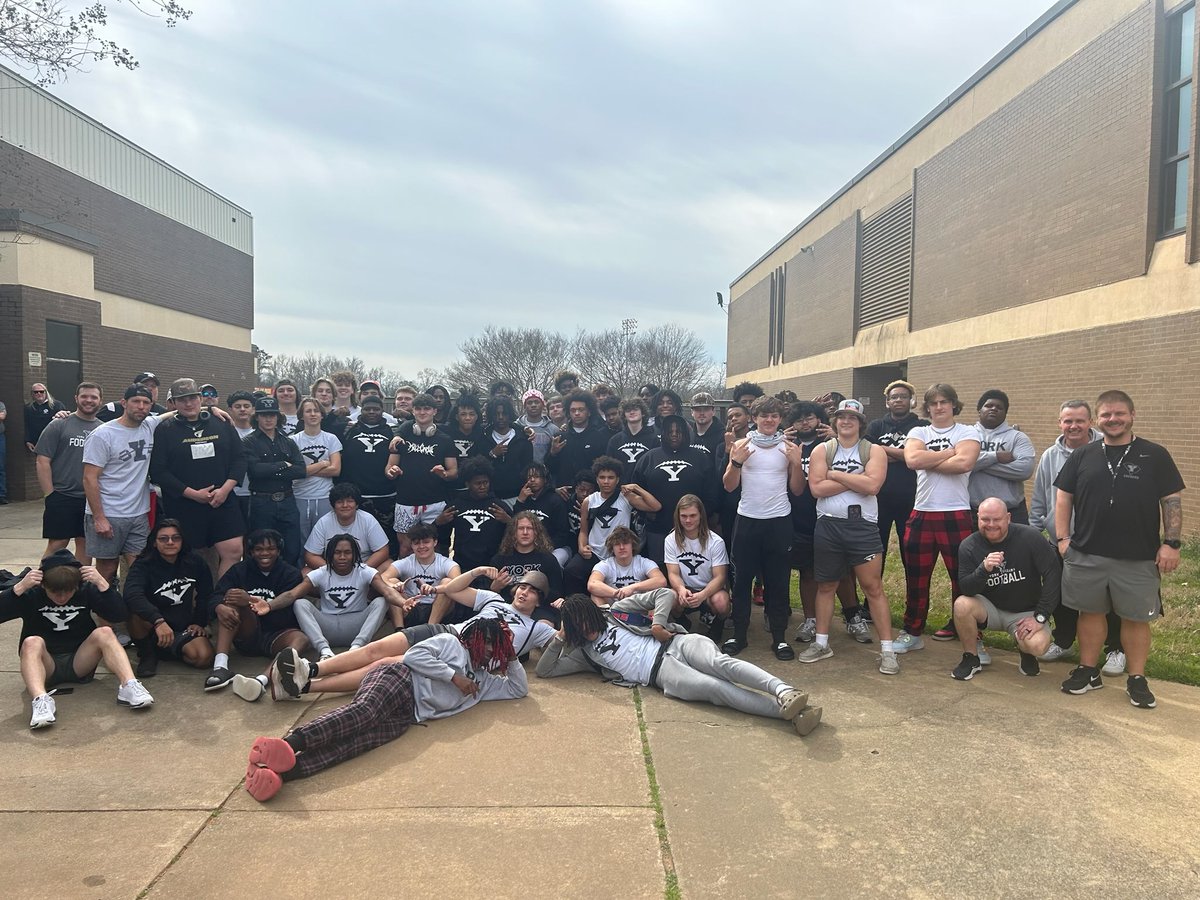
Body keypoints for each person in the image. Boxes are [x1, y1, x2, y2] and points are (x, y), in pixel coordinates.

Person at [245, 616, 526, 801]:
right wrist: (453, 676)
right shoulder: (451, 644)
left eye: (496, 647)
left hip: (409, 714)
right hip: (399, 678)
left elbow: (518, 689)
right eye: (489, 643)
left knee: (359, 743)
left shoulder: (485, 682)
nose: (491, 650)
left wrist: (511, 655)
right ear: (476, 638)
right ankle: (287, 744)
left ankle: (281, 773)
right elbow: (415, 655)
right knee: (365, 712)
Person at [1054, 390, 1184, 710]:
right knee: (1090, 613)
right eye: (1106, 415)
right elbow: (1063, 498)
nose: (1113, 419)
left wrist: (1171, 543)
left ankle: (1136, 678)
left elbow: (1172, 501)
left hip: (1138, 555)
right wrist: (1062, 539)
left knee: (1136, 618)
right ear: (1098, 419)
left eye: (1120, 414)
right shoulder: (1083, 455)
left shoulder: (1154, 454)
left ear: (1132, 415)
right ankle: (1088, 670)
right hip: (1087, 552)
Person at [538, 594, 822, 736]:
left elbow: (663, 593)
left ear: (592, 612)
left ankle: (784, 691)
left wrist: (659, 624)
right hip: (662, 675)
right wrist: (562, 636)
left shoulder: (616, 611)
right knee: (716, 689)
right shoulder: (582, 653)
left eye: (586, 621)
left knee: (720, 663)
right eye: (578, 627)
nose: (585, 629)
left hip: (673, 643)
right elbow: (545, 671)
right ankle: (789, 714)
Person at [1, 550, 154, 729]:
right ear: (43, 586)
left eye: (68, 592)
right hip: (45, 665)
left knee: (104, 632)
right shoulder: (31, 593)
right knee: (31, 642)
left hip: (80, 660)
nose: (62, 597)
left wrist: (103, 584)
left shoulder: (86, 590)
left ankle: (129, 685)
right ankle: (41, 699)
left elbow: (119, 614)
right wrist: (18, 589)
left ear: (76, 586)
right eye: (55, 592)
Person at [802, 399, 898, 674]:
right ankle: (821, 644)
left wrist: (834, 475)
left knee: (873, 587)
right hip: (829, 525)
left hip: (862, 526)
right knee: (826, 586)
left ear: (860, 423)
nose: (846, 421)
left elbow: (873, 485)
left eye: (852, 418)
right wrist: (853, 477)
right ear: (835, 422)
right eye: (842, 417)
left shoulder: (873, 450)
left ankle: (888, 651)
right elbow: (817, 490)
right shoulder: (824, 449)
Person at [1029, 401, 1124, 669]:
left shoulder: (1105, 452)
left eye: (1079, 421)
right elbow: (1040, 497)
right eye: (1067, 421)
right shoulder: (1050, 455)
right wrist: (1036, 530)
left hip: (1100, 541)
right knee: (1061, 594)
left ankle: (1115, 649)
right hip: (1060, 540)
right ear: (1059, 423)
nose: (1073, 426)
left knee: (1107, 598)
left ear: (1091, 422)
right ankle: (1063, 640)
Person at [895, 384, 981, 654]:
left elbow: (964, 464)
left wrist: (928, 458)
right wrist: (948, 452)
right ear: (927, 407)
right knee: (917, 577)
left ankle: (972, 637)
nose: (939, 407)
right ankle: (913, 630)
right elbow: (911, 460)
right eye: (934, 403)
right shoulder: (919, 431)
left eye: (945, 402)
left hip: (956, 513)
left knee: (963, 579)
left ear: (954, 404)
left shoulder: (968, 431)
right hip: (922, 512)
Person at [722, 396, 806, 660]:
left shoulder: (788, 447)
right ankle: (739, 634)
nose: (769, 420)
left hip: (779, 521)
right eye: (764, 415)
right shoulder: (740, 444)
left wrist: (795, 463)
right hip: (747, 520)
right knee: (742, 580)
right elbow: (729, 486)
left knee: (778, 581)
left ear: (780, 419)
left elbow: (798, 489)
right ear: (754, 418)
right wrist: (736, 461)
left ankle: (779, 638)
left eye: (774, 416)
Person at [949, 498, 1057, 681]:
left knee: (1038, 645)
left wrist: (1040, 616)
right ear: (977, 518)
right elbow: (966, 588)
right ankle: (971, 658)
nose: (991, 525)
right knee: (961, 605)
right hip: (990, 609)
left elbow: (1053, 576)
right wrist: (983, 569)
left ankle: (1026, 653)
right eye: (985, 519)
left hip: (1025, 612)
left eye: (997, 519)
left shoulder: (1030, 537)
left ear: (1008, 518)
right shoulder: (969, 546)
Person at [149, 378, 247, 579]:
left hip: (222, 500)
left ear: (200, 398)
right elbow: (158, 471)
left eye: (193, 397)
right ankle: (195, 604)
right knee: (191, 558)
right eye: (182, 399)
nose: (188, 403)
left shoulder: (221, 422)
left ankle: (221, 601)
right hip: (185, 504)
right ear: (173, 403)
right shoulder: (164, 429)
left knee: (234, 551)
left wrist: (226, 489)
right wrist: (193, 494)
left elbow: (239, 459)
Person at [269, 534, 401, 668]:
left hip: (356, 625)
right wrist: (269, 606)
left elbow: (387, 590)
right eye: (337, 552)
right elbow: (292, 594)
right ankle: (325, 651)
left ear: (354, 554)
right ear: (330, 554)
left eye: (347, 552)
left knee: (381, 601)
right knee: (300, 603)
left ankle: (356, 649)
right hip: (328, 626)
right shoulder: (321, 572)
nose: (342, 557)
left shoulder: (364, 571)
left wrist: (403, 603)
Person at [82, 384, 168, 585]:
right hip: (108, 514)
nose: (141, 406)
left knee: (140, 567)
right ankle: (102, 612)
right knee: (107, 569)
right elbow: (89, 478)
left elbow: (171, 414)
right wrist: (99, 518)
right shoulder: (103, 434)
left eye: (146, 403)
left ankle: (134, 614)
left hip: (138, 514)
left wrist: (210, 409)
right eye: (136, 401)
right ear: (124, 403)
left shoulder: (149, 425)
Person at [204, 529, 309, 692]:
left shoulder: (291, 574)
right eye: (259, 549)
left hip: (276, 633)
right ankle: (220, 666)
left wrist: (250, 602)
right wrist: (219, 607)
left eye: (270, 549)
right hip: (247, 633)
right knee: (232, 598)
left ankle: (262, 679)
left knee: (301, 639)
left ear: (279, 550)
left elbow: (288, 614)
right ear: (251, 551)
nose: (265, 553)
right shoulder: (239, 570)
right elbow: (214, 596)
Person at [123, 518, 216, 678]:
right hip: (152, 625)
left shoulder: (194, 561)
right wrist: (158, 620)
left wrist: (199, 622)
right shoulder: (143, 564)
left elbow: (206, 593)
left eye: (176, 538)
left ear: (182, 541)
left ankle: (168, 648)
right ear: (154, 542)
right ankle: (147, 653)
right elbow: (132, 594)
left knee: (203, 658)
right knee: (132, 609)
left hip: (182, 626)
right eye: (163, 539)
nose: (170, 542)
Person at [563, 456, 657, 594]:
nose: (606, 481)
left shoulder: (626, 498)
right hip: (594, 552)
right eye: (602, 477)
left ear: (618, 479)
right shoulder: (589, 501)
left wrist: (636, 488)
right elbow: (583, 531)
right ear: (597, 479)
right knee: (571, 571)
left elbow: (655, 506)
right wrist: (582, 547)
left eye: (611, 477)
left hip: (618, 553)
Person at [631, 415, 715, 563]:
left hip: (693, 530)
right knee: (660, 572)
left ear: (686, 433)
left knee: (693, 569)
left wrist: (702, 517)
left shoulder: (700, 458)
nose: (674, 435)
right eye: (670, 432)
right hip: (658, 529)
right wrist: (646, 512)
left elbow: (712, 493)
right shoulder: (649, 458)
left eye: (679, 431)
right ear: (663, 434)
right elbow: (634, 492)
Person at [35, 381, 103, 559]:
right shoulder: (59, 424)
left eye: (93, 397)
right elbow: (42, 461)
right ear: (76, 398)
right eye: (84, 396)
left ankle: (80, 586)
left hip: (90, 499)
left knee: (86, 544)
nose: (89, 400)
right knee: (58, 544)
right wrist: (50, 494)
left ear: (100, 401)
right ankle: (43, 585)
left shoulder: (104, 430)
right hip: (62, 495)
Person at [865, 380, 927, 569]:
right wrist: (907, 455)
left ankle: (913, 598)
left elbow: (922, 457)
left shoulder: (922, 426)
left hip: (912, 498)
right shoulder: (876, 426)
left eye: (903, 396)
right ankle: (872, 599)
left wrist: (882, 450)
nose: (899, 400)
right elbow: (867, 454)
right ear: (887, 402)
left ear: (911, 401)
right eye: (894, 397)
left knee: (910, 550)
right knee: (877, 549)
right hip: (879, 499)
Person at [388, 393, 458, 558]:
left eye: (427, 408)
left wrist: (444, 474)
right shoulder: (401, 437)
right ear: (413, 411)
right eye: (418, 409)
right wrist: (392, 472)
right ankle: (403, 583)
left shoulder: (445, 439)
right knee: (405, 548)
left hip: (435, 502)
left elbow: (454, 472)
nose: (422, 412)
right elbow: (389, 467)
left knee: (435, 547)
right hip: (406, 501)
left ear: (434, 411)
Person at [243, 396, 306, 565]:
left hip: (287, 500)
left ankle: (289, 587)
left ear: (278, 416)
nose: (269, 419)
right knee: (261, 547)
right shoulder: (248, 442)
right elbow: (255, 471)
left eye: (272, 414)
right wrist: (283, 465)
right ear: (257, 417)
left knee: (292, 548)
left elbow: (300, 470)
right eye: (264, 415)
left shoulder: (288, 441)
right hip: (261, 502)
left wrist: (270, 470)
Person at [664, 494, 731, 640]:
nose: (688, 520)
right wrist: (681, 590)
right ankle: (681, 620)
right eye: (684, 516)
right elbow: (673, 573)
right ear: (678, 516)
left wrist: (702, 595)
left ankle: (717, 624)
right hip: (686, 588)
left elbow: (720, 577)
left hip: (709, 590)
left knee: (722, 602)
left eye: (693, 515)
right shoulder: (670, 540)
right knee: (669, 597)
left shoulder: (715, 541)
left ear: (701, 515)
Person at [968, 389, 1035, 524]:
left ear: (1005, 413)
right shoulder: (966, 435)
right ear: (979, 410)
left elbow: (1024, 470)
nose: (994, 409)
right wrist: (995, 456)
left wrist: (974, 463)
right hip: (973, 511)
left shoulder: (1017, 437)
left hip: (1012, 512)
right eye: (989, 406)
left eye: (999, 407)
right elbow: (957, 463)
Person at [340, 394, 399, 548]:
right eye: (367, 409)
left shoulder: (392, 431)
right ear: (361, 410)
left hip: (386, 496)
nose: (372, 412)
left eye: (376, 409)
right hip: (357, 497)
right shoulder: (349, 430)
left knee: (387, 541)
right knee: (356, 541)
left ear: (382, 411)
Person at [435, 457, 512, 575]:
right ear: (468, 484)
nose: (482, 487)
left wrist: (508, 521)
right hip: (462, 566)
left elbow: (515, 535)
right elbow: (442, 539)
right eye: (478, 483)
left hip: (492, 566)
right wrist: (438, 523)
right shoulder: (456, 505)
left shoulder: (499, 506)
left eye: (485, 482)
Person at [489, 511, 564, 621]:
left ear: (536, 532)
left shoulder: (548, 559)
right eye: (521, 528)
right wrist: (495, 587)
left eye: (529, 528)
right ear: (513, 532)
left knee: (545, 625)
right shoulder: (499, 559)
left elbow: (558, 594)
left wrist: (537, 584)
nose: (525, 532)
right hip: (507, 608)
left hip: (539, 610)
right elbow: (486, 595)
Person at [384, 523, 460, 628]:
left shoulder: (446, 563)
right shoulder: (406, 562)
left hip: (436, 608)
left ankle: (430, 628)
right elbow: (383, 578)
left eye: (426, 542)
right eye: (416, 543)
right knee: (391, 583)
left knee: (448, 582)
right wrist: (394, 585)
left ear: (435, 542)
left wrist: (435, 589)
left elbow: (459, 583)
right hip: (411, 606)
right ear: (411, 545)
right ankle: (399, 629)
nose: (421, 546)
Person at [302, 482, 391, 571]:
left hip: (363, 567)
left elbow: (383, 551)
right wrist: (332, 570)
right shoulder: (323, 522)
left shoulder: (368, 519)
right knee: (306, 572)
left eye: (350, 501)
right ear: (333, 506)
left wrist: (361, 570)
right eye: (340, 502)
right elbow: (310, 555)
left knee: (389, 564)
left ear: (356, 504)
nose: (345, 505)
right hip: (332, 570)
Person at [290, 397, 342, 546]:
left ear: (321, 415)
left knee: (325, 541)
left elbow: (336, 469)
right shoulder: (292, 441)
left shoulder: (331, 439)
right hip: (299, 497)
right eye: (308, 411)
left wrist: (306, 471)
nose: (313, 414)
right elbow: (293, 472)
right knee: (300, 541)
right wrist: (323, 464)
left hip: (324, 497)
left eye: (316, 411)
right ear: (301, 415)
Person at [512, 462, 572, 565]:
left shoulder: (555, 500)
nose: (532, 480)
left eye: (536, 476)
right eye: (529, 477)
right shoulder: (524, 499)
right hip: (527, 546)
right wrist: (520, 502)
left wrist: (543, 547)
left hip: (555, 547)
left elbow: (562, 534)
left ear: (544, 480)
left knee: (552, 562)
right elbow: (515, 525)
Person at [548, 390, 610, 491]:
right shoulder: (559, 437)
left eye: (581, 409)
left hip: (592, 494)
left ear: (589, 412)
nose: (577, 413)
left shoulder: (600, 437)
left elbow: (604, 470)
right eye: (573, 410)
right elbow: (550, 469)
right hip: (564, 493)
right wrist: (553, 453)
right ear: (568, 412)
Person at [587, 527, 667, 603]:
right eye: (617, 544)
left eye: (625, 543)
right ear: (612, 548)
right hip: (614, 609)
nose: (621, 547)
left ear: (632, 545)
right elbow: (592, 584)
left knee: (660, 592)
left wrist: (633, 587)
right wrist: (618, 593)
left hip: (641, 607)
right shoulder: (605, 565)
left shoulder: (644, 562)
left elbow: (661, 580)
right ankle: (607, 617)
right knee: (595, 594)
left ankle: (651, 618)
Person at [480, 394, 533, 501]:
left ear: (510, 414)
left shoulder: (523, 437)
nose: (500, 417)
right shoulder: (483, 436)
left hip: (517, 495)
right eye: (497, 414)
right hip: (491, 496)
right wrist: (492, 454)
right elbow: (478, 467)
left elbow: (528, 467)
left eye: (504, 413)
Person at [607, 397, 659, 482]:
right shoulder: (615, 440)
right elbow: (609, 468)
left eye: (635, 409)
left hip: (646, 489)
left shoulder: (654, 439)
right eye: (628, 410)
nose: (632, 412)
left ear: (643, 413)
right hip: (621, 489)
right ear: (624, 415)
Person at [96, 372, 165, 422]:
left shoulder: (163, 412)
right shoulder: (113, 409)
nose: (150, 389)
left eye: (153, 386)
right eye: (146, 385)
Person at [518, 389, 559, 464]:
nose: (533, 405)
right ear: (524, 406)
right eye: (529, 403)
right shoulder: (516, 427)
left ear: (543, 405)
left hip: (545, 473)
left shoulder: (553, 429)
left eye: (537, 402)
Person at [24, 382, 67, 452]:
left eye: (41, 391)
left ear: (46, 392)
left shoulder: (57, 405)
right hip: (38, 442)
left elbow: (65, 422)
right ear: (32, 394)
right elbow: (27, 425)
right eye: (36, 392)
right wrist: (28, 440)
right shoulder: (29, 408)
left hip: (55, 441)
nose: (39, 393)